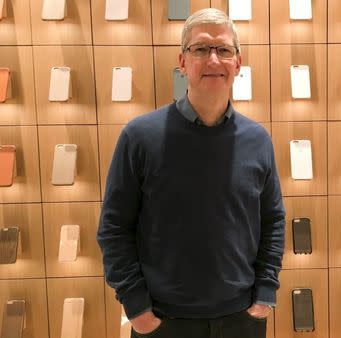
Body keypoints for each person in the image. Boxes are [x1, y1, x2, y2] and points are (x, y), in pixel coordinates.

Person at [97, 8, 285, 338]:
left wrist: (265, 297)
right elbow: (114, 227)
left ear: (237, 63)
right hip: (164, 322)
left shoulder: (258, 140)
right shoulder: (140, 136)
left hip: (242, 319)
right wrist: (138, 310)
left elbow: (272, 221)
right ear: (183, 62)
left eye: (224, 50)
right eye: (200, 49)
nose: (213, 60)